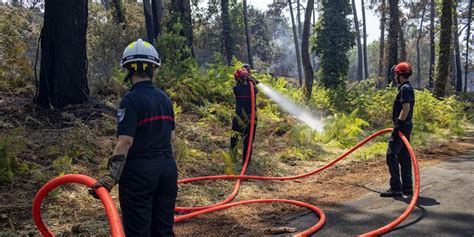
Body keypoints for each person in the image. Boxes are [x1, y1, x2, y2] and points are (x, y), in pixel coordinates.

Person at [90, 39, 178, 236]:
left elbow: (125, 141)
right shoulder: (164, 98)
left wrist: (112, 176)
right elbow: (171, 137)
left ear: (128, 70)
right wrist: (166, 166)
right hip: (167, 170)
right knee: (163, 230)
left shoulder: (130, 100)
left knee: (139, 231)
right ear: (154, 69)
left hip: (139, 175)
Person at [381, 62, 415, 198]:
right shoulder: (408, 87)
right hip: (407, 126)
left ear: (400, 75)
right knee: (404, 156)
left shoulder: (405, 88)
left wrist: (398, 125)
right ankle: (407, 187)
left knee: (391, 155)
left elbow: (405, 108)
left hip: (403, 125)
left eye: (396, 74)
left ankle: (396, 188)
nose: (395, 77)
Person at [230, 65, 259, 165]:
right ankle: (246, 162)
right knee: (248, 142)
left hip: (238, 118)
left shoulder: (236, 89)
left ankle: (232, 159)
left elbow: (239, 85)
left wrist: (246, 76)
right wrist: (250, 78)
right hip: (251, 118)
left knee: (234, 139)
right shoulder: (253, 89)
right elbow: (256, 85)